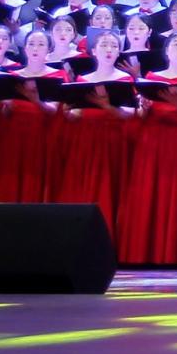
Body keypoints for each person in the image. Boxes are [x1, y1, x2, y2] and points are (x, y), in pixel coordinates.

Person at [118, 30, 177, 266]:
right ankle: (146, 254)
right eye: (176, 45)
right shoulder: (152, 77)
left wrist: (176, 103)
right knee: (151, 192)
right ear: (167, 51)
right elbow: (141, 114)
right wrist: (144, 107)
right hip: (154, 142)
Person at [57, 29, 136, 239]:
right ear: (94, 50)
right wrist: (67, 111)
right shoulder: (83, 80)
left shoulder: (125, 80)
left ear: (119, 51)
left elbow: (129, 115)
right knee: (83, 187)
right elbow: (76, 115)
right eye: (104, 45)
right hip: (86, 142)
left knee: (110, 188)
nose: (109, 50)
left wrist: (106, 106)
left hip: (113, 142)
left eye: (113, 46)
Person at [0, 27, 64, 204]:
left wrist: (35, 100)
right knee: (11, 180)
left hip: (42, 137)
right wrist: (6, 106)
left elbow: (54, 110)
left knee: (36, 180)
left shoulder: (57, 76)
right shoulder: (11, 76)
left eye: (41, 44)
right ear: (25, 48)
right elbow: (4, 113)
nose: (35, 48)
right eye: (31, 44)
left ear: (49, 49)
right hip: (14, 137)